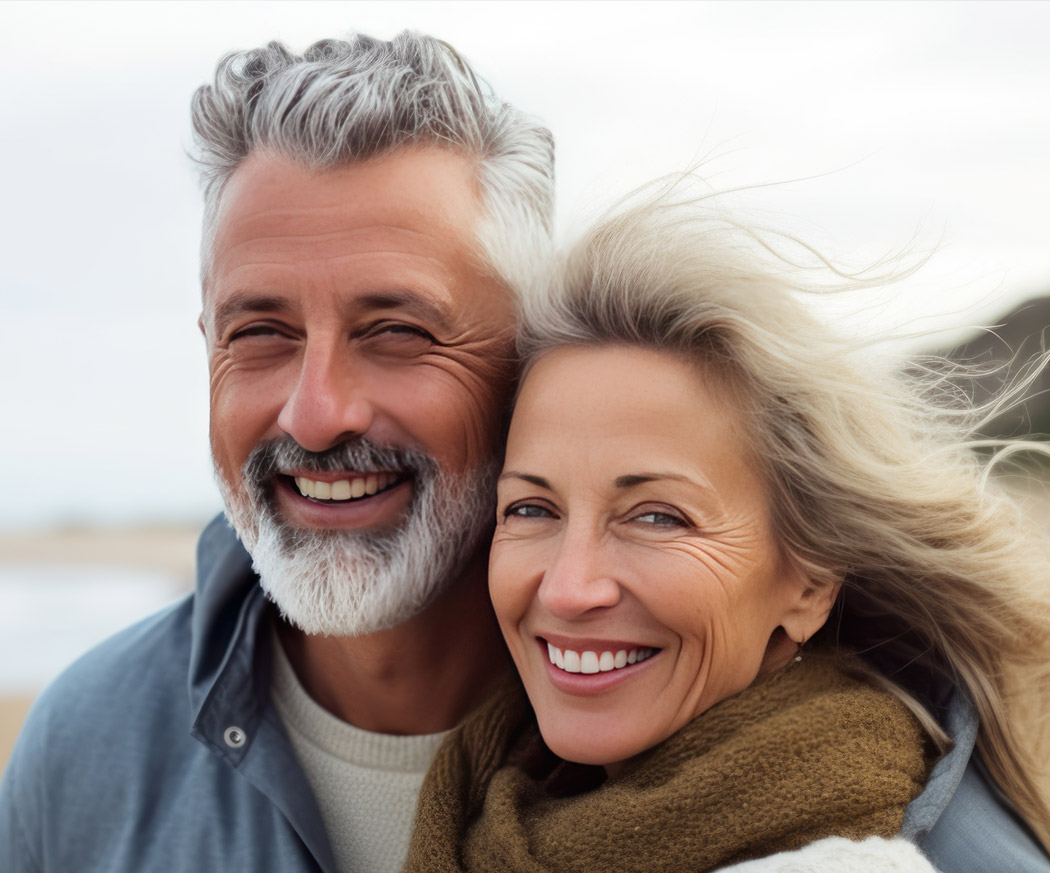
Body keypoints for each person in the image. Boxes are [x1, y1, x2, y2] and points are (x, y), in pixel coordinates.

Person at [0, 32, 552, 873]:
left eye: (398, 331)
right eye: (260, 333)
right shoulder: (85, 746)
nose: (317, 413)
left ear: (531, 356)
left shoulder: (683, 747)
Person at [401, 192, 1050, 871]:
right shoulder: (489, 811)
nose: (569, 588)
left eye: (658, 516)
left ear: (809, 582)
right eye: (532, 509)